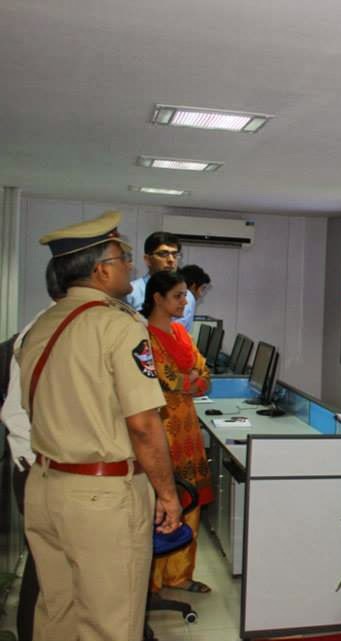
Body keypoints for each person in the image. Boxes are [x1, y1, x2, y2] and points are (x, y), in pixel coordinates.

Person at [15, 211, 181, 641]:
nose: (129, 263)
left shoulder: (41, 326)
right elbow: (143, 424)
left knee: (57, 613)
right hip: (101, 497)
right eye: (121, 255)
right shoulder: (117, 325)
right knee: (111, 624)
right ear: (100, 269)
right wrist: (167, 493)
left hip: (45, 485)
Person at [1, 263, 64, 641]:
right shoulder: (47, 332)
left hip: (40, 466)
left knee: (48, 574)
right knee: (44, 574)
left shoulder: (49, 327)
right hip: (41, 469)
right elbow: (17, 413)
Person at [142, 271, 214, 594]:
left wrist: (193, 379)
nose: (185, 301)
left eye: (185, 295)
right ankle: (153, 580)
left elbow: (205, 373)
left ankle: (180, 575)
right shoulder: (146, 337)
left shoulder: (180, 334)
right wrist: (191, 379)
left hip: (188, 428)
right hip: (163, 429)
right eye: (178, 296)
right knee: (162, 500)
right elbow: (170, 379)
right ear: (158, 298)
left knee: (191, 501)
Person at [127, 232, 196, 330]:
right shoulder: (131, 292)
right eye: (163, 254)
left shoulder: (188, 298)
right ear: (147, 260)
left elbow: (186, 336)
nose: (171, 260)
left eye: (175, 254)